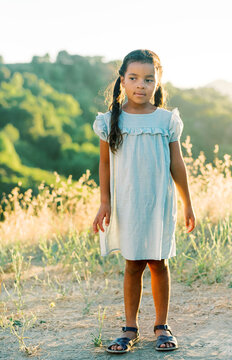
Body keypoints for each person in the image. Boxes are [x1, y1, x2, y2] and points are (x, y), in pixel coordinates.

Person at [92, 49, 196, 354]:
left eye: (148, 79)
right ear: (122, 81)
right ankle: (130, 327)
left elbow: (178, 164)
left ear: (157, 81)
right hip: (127, 203)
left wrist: (188, 203)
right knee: (133, 263)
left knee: (158, 262)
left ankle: (162, 326)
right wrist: (104, 202)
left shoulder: (167, 119)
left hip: (159, 204)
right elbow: (105, 165)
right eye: (134, 78)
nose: (141, 85)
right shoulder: (110, 120)